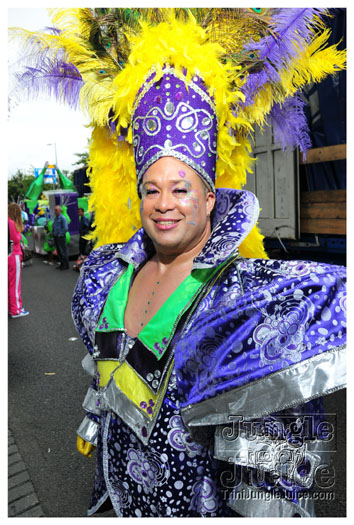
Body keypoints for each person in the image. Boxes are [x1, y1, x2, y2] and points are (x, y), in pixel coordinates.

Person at [13, 8, 346, 517]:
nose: (164, 203)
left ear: (210, 198)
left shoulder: (249, 300)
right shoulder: (106, 277)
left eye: (180, 188)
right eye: (152, 189)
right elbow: (108, 381)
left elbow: (278, 472)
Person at [8, 203, 29, 318]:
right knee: (14, 285)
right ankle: (16, 310)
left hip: (8, 255)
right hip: (14, 254)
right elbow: (16, 239)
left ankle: (11, 308)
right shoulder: (11, 222)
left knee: (8, 284)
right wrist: (20, 234)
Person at [52, 205, 69, 270]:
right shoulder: (56, 218)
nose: (55, 211)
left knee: (63, 251)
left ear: (60, 211)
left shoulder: (62, 218)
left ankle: (66, 265)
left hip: (61, 237)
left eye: (56, 210)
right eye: (54, 210)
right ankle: (62, 264)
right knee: (59, 251)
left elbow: (65, 228)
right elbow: (54, 227)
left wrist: (60, 234)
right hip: (56, 236)